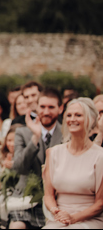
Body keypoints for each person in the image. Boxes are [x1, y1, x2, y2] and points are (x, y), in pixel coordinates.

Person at [43, 98, 103, 229]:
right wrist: (56, 211)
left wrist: (73, 218)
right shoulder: (53, 153)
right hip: (59, 218)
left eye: (78, 115)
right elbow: (48, 195)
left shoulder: (100, 156)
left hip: (89, 219)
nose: (72, 119)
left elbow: (100, 203)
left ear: (90, 119)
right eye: (69, 115)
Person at [9, 88, 63, 230]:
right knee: (17, 226)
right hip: (27, 195)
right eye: (42, 107)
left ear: (60, 108)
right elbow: (19, 167)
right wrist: (35, 138)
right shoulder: (22, 132)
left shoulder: (66, 133)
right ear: (36, 107)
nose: (46, 112)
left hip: (59, 198)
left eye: (51, 107)